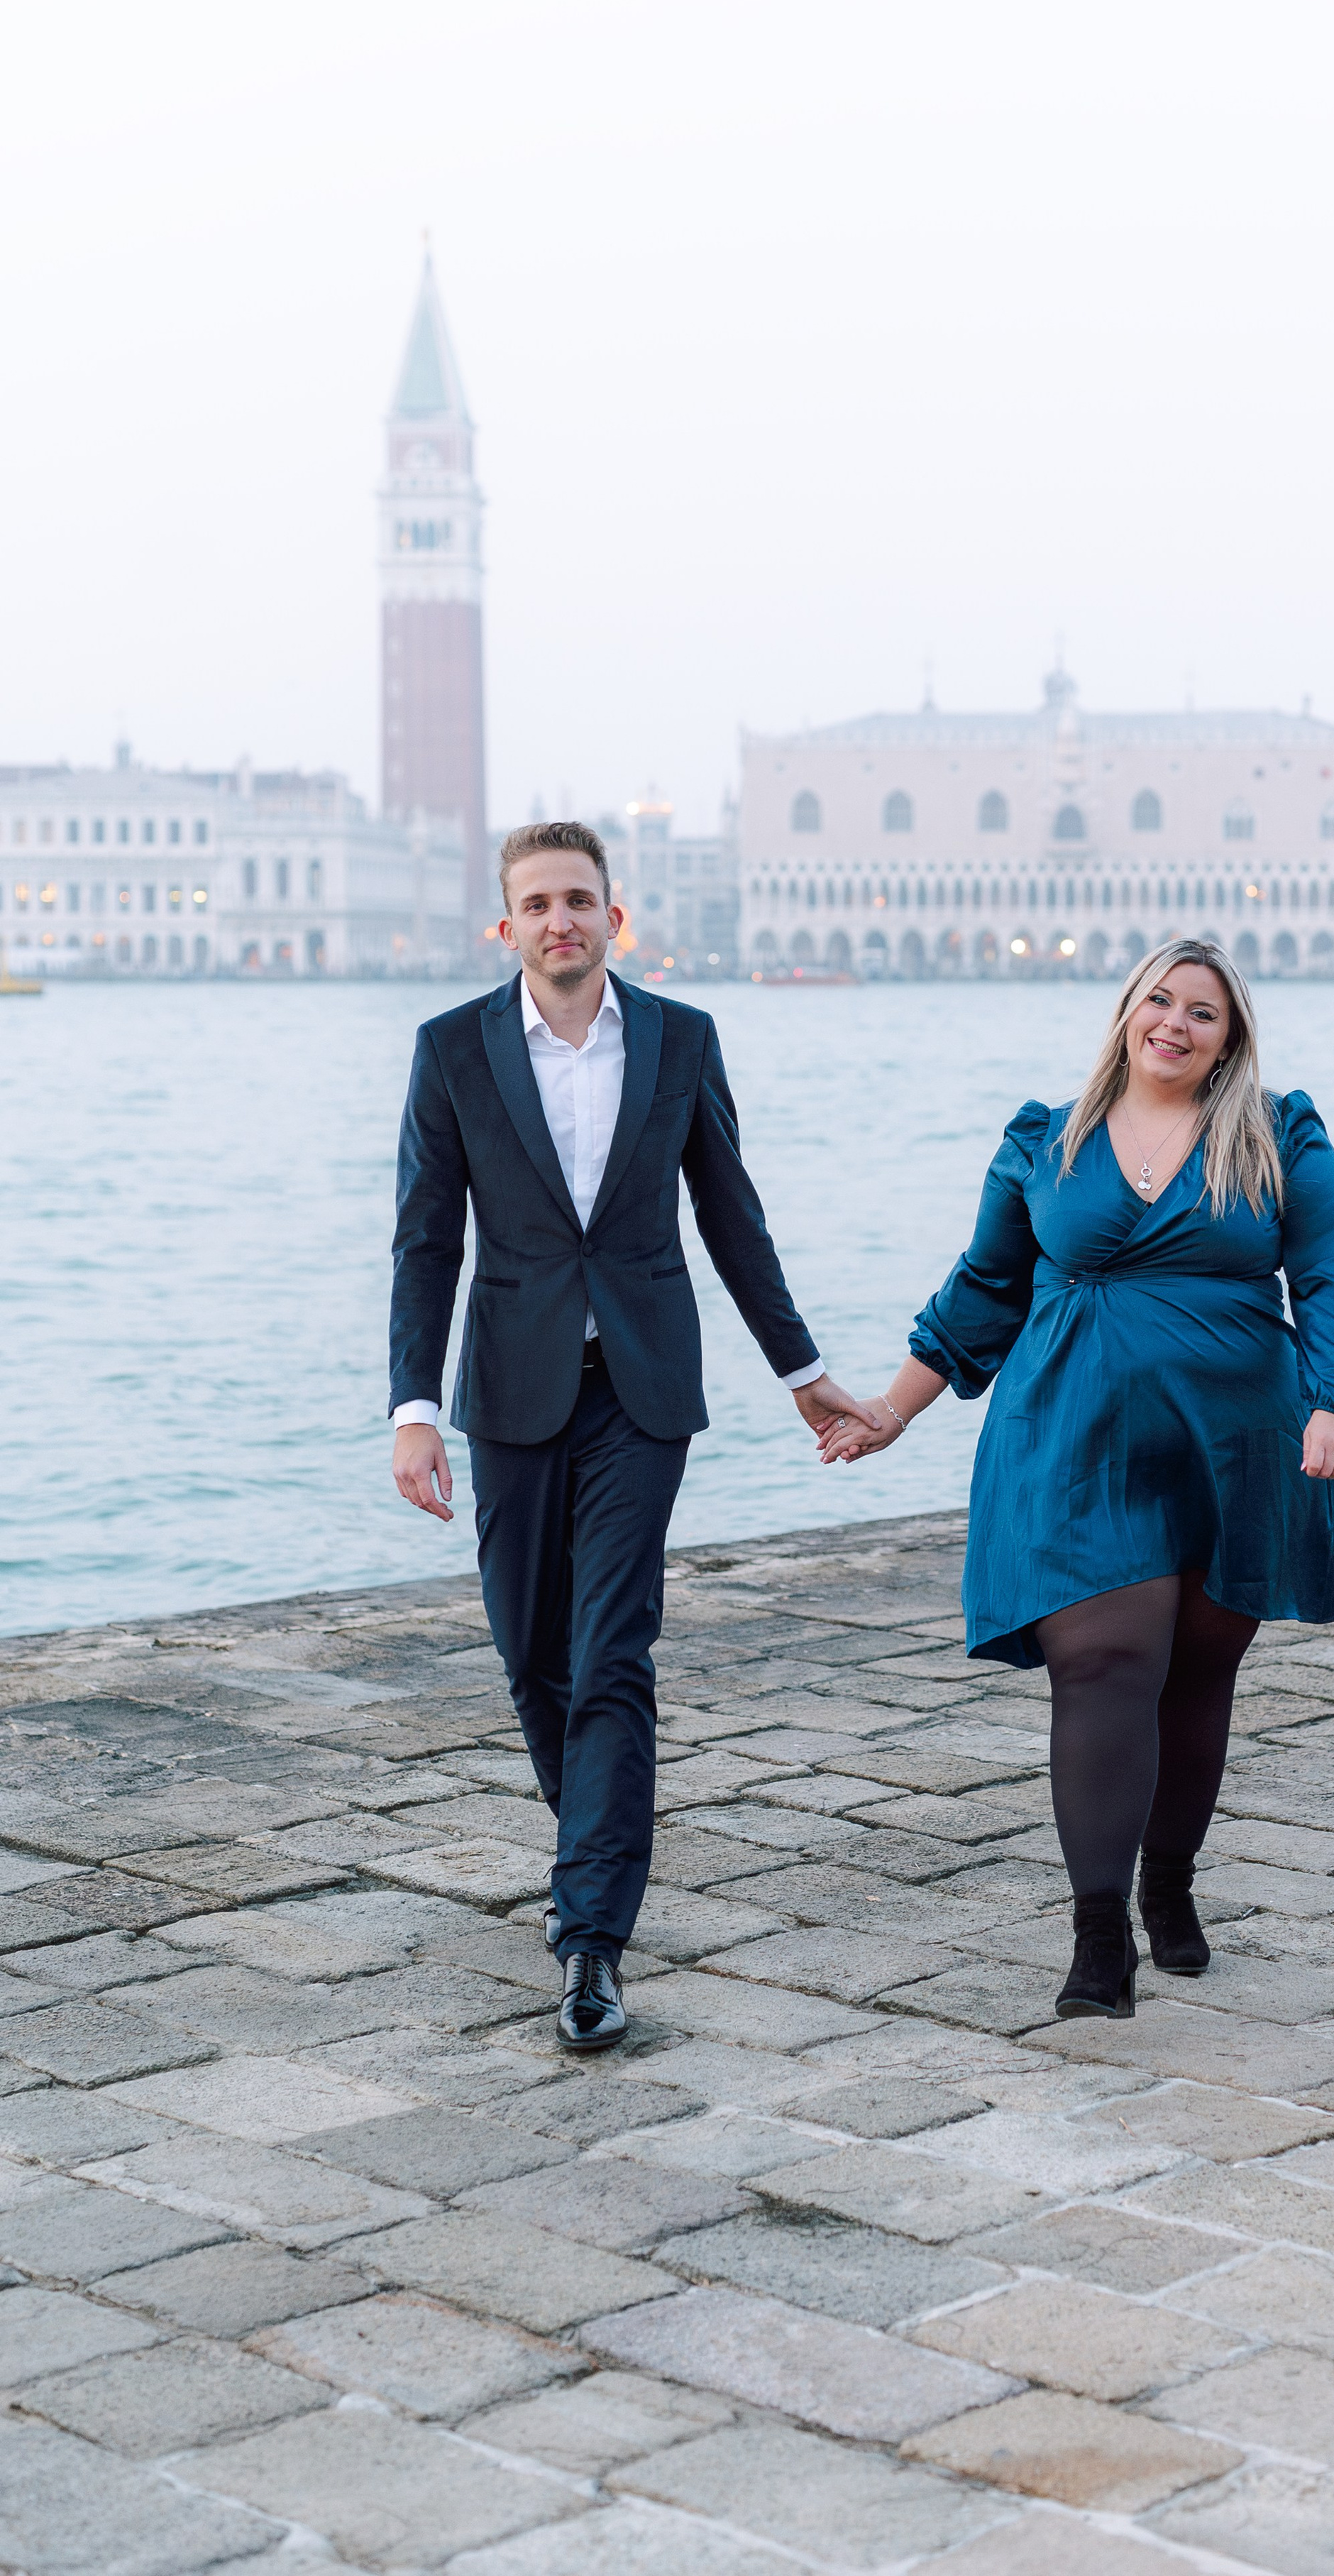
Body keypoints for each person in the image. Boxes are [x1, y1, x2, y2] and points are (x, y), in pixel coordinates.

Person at [820, 937, 1334, 2020]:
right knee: (1102, 1662)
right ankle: (1097, 1934)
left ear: (1230, 1037)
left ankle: (1168, 1886)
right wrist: (893, 1407)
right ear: (1128, 1011)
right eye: (1159, 1000)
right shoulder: (1048, 1137)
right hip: (1071, 1438)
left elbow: (1329, 1270)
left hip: (1234, 1441)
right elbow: (984, 1289)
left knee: (1196, 1676)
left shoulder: (1278, 1133)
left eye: (1203, 1011)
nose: (1175, 1022)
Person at [390, 821, 878, 2051]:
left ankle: (591, 1939)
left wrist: (803, 1370)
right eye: (538, 903)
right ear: (508, 925)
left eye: (580, 899)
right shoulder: (451, 1048)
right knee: (530, 1653)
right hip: (509, 1389)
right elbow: (426, 1241)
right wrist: (413, 1411)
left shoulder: (680, 1038)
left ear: (615, 916)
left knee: (613, 1649)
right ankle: (595, 1846)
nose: (560, 920)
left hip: (642, 1391)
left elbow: (730, 1214)